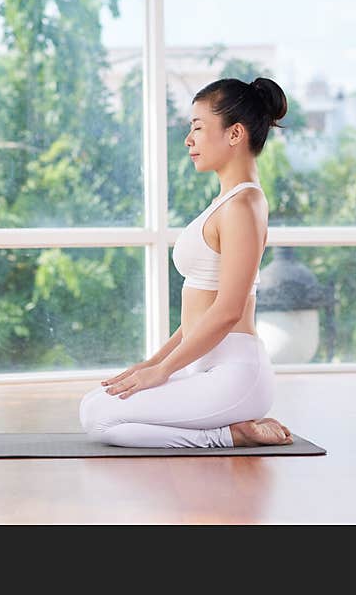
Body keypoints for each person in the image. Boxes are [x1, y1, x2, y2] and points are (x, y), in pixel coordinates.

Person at [79, 77, 293, 448]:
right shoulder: (225, 203)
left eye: (197, 127)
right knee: (95, 404)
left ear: (234, 133)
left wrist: (163, 371)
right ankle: (228, 428)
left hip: (235, 374)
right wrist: (150, 365)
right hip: (202, 365)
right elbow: (195, 319)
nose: (188, 140)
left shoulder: (244, 205)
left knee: (100, 420)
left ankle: (228, 435)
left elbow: (227, 311)